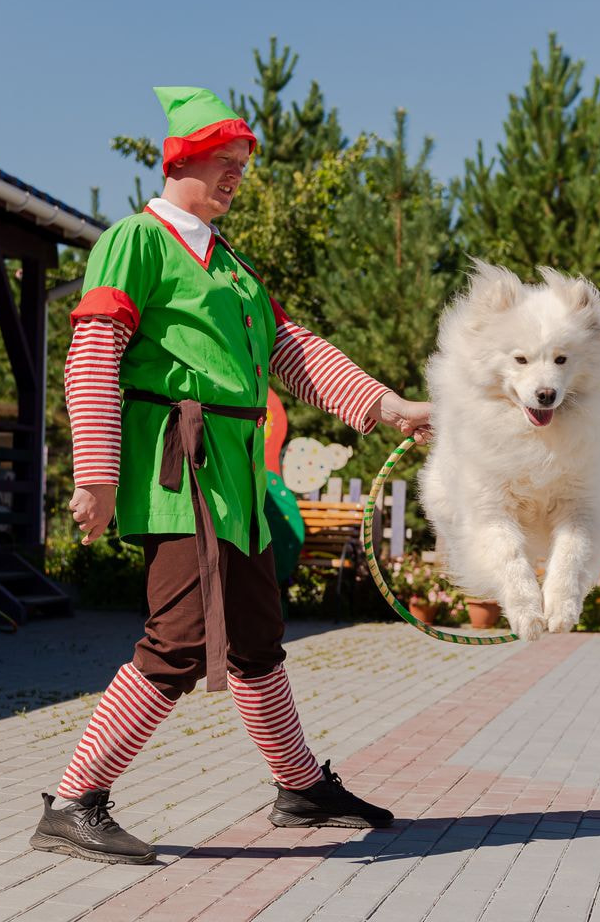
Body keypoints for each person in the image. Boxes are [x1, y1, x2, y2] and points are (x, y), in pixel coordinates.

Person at [29, 86, 432, 865]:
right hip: (182, 477)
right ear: (181, 159)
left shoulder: (234, 267)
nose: (237, 176)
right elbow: (92, 357)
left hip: (238, 487)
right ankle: (76, 799)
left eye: (243, 165)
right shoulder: (135, 241)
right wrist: (99, 475)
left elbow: (296, 355)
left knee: (256, 640)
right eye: (225, 161)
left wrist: (389, 407)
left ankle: (301, 788)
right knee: (179, 641)